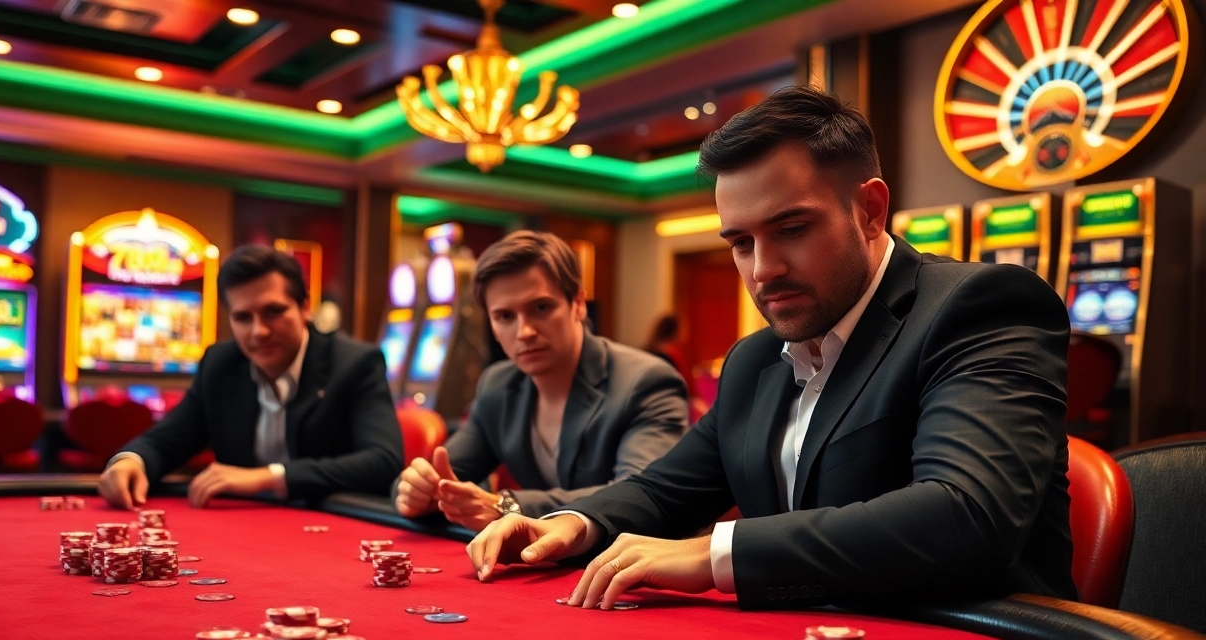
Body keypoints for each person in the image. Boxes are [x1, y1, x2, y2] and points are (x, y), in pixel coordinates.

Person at [466, 86, 1076, 610]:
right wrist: (570, 524)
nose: (763, 270)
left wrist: (717, 554)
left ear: (869, 210)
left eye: (791, 230)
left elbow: (964, 518)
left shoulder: (981, 307)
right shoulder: (755, 360)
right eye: (740, 242)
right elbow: (663, 491)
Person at [394, 231, 689, 530]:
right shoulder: (497, 384)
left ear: (578, 303)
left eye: (540, 308)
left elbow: (637, 495)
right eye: (505, 317)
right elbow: (442, 476)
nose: (524, 332)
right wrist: (416, 490)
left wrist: (506, 506)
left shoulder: (647, 382)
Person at [98, 245, 403, 509]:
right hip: (243, 532)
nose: (259, 331)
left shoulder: (355, 363)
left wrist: (268, 477)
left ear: (305, 307)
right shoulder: (220, 365)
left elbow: (382, 462)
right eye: (243, 317)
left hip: (335, 530)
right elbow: (165, 441)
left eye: (273, 311)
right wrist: (130, 460)